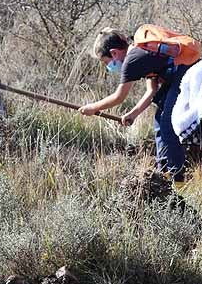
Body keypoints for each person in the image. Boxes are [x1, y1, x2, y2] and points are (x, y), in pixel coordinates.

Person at [80, 28, 193, 184]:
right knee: (160, 121)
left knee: (168, 123)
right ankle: (164, 172)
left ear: (114, 53)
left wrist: (93, 107)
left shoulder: (132, 59)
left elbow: (119, 97)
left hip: (185, 72)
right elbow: (151, 90)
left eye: (106, 63)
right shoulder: (141, 52)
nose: (109, 67)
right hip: (177, 75)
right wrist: (133, 114)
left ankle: (177, 178)